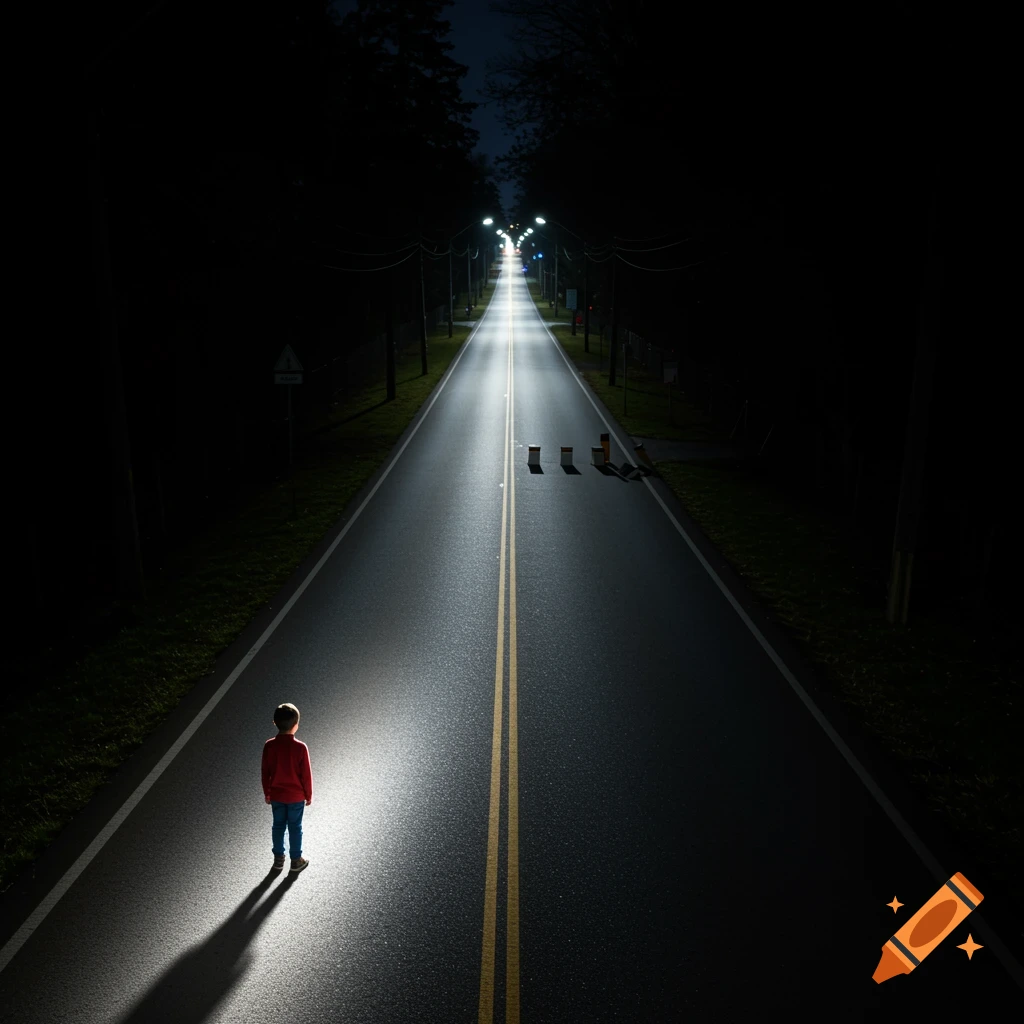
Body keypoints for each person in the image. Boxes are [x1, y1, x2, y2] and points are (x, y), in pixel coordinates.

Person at [262, 702, 313, 874]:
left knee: (278, 826)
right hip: (296, 797)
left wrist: (267, 793)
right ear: (296, 725)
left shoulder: (269, 746)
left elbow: (265, 772)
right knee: (295, 827)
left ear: (275, 723)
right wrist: (309, 795)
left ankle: (278, 859)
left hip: (277, 795)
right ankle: (296, 860)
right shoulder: (300, 748)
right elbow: (306, 775)